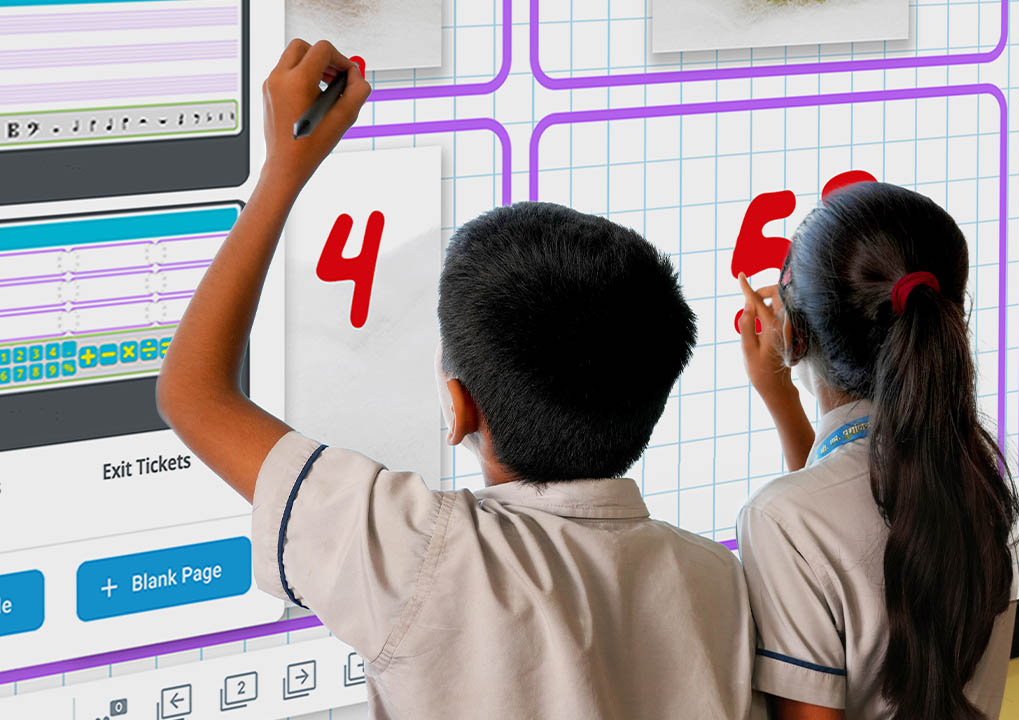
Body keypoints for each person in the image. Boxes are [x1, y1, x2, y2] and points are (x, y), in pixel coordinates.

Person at [157, 39, 758, 720]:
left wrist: (281, 170)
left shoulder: (423, 558)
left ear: (459, 408)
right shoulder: (719, 579)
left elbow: (192, 393)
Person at [735, 182, 1019, 720]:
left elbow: (822, 519)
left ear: (794, 336)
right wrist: (784, 401)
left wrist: (780, 386)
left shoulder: (781, 520)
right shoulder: (975, 479)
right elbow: (838, 506)